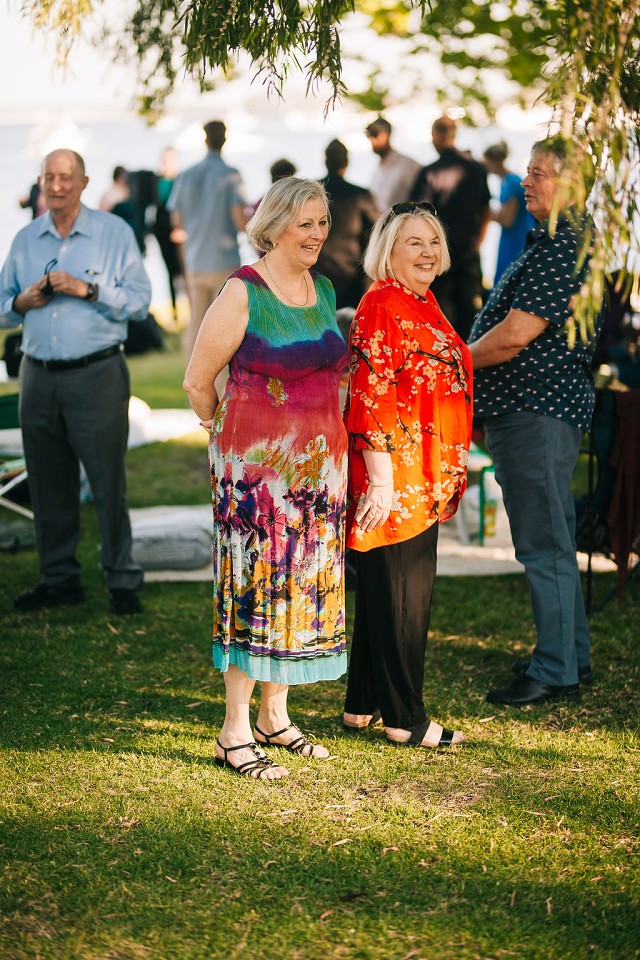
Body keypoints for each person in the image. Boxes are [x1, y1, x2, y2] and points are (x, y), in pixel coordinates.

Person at [183, 178, 348, 780]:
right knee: (255, 595)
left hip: (318, 479)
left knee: (298, 591)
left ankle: (274, 717)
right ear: (274, 226)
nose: (317, 234)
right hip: (256, 486)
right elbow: (198, 379)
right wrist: (221, 433)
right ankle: (233, 732)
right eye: (305, 223)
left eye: (322, 222)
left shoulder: (323, 289)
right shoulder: (242, 290)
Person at [468, 137, 604, 706]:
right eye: (527, 171)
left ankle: (554, 670)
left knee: (543, 545)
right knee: (552, 540)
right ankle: (572, 657)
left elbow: (515, 335)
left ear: (570, 184)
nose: (526, 182)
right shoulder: (558, 241)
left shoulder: (563, 246)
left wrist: (452, 361)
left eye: (538, 173)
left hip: (536, 411)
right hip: (533, 409)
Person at [342, 200, 472, 749]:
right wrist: (382, 480)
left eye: (433, 241)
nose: (427, 251)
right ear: (387, 250)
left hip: (422, 472)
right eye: (413, 242)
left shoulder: (420, 300)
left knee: (383, 591)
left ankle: (362, 704)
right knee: (404, 596)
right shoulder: (383, 303)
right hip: (397, 476)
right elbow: (370, 394)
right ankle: (406, 718)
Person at [0, 149, 151, 615]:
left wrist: (88, 289)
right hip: (38, 376)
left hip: (97, 373)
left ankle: (121, 580)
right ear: (41, 182)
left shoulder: (114, 233)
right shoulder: (25, 239)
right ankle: (59, 579)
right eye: (49, 176)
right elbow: (3, 306)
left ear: (84, 182)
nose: (57, 185)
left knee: (107, 481)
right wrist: (22, 302)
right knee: (46, 482)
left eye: (66, 176)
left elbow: (140, 302)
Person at [168, 120, 248, 360]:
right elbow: (239, 221)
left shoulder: (187, 174)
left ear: (205, 139)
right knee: (225, 325)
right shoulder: (231, 175)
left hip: (195, 258)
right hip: (224, 260)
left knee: (197, 322)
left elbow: (177, 220)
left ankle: (192, 376)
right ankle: (222, 380)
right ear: (224, 139)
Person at [410, 115, 491, 341]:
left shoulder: (430, 172)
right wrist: (479, 242)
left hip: (438, 252)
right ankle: (469, 355)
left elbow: (418, 217)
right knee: (469, 311)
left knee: (440, 313)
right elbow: (486, 210)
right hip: (469, 249)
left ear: (436, 135)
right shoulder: (477, 168)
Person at [315, 139, 380, 310]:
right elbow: (380, 231)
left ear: (325, 161)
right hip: (351, 275)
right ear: (346, 163)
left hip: (314, 273)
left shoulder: (310, 193)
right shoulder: (360, 195)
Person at [483, 141, 535, 285]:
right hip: (511, 235)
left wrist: (486, 214)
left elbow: (508, 220)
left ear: (495, 162)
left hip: (516, 237)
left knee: (509, 276)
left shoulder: (512, 182)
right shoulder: (506, 181)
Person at [153, 147, 184, 321]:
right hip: (162, 229)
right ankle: (175, 312)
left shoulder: (181, 179)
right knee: (170, 270)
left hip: (179, 229)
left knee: (183, 269)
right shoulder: (156, 180)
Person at [365, 116, 421, 212]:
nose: (371, 138)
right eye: (368, 134)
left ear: (387, 134)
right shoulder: (378, 167)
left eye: (375, 134)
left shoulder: (408, 165)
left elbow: (420, 200)